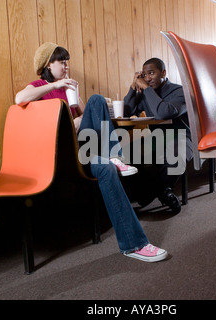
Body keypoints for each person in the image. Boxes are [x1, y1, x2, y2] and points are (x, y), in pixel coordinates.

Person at [15, 42, 167, 262]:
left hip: (84, 151)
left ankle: (134, 244)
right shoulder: (38, 86)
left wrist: (90, 108)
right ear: (48, 64)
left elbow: (88, 119)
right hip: (61, 156)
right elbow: (20, 99)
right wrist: (58, 93)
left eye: (67, 61)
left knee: (97, 104)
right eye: (61, 61)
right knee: (105, 163)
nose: (66, 66)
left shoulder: (68, 89)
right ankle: (114, 158)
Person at [123, 58, 193, 214]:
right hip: (158, 139)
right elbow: (126, 112)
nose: (147, 78)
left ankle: (161, 190)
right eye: (144, 74)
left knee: (177, 153)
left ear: (163, 73)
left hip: (180, 136)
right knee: (126, 153)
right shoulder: (146, 93)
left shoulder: (180, 91)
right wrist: (132, 88)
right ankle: (158, 191)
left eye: (151, 73)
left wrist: (146, 89)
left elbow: (164, 112)